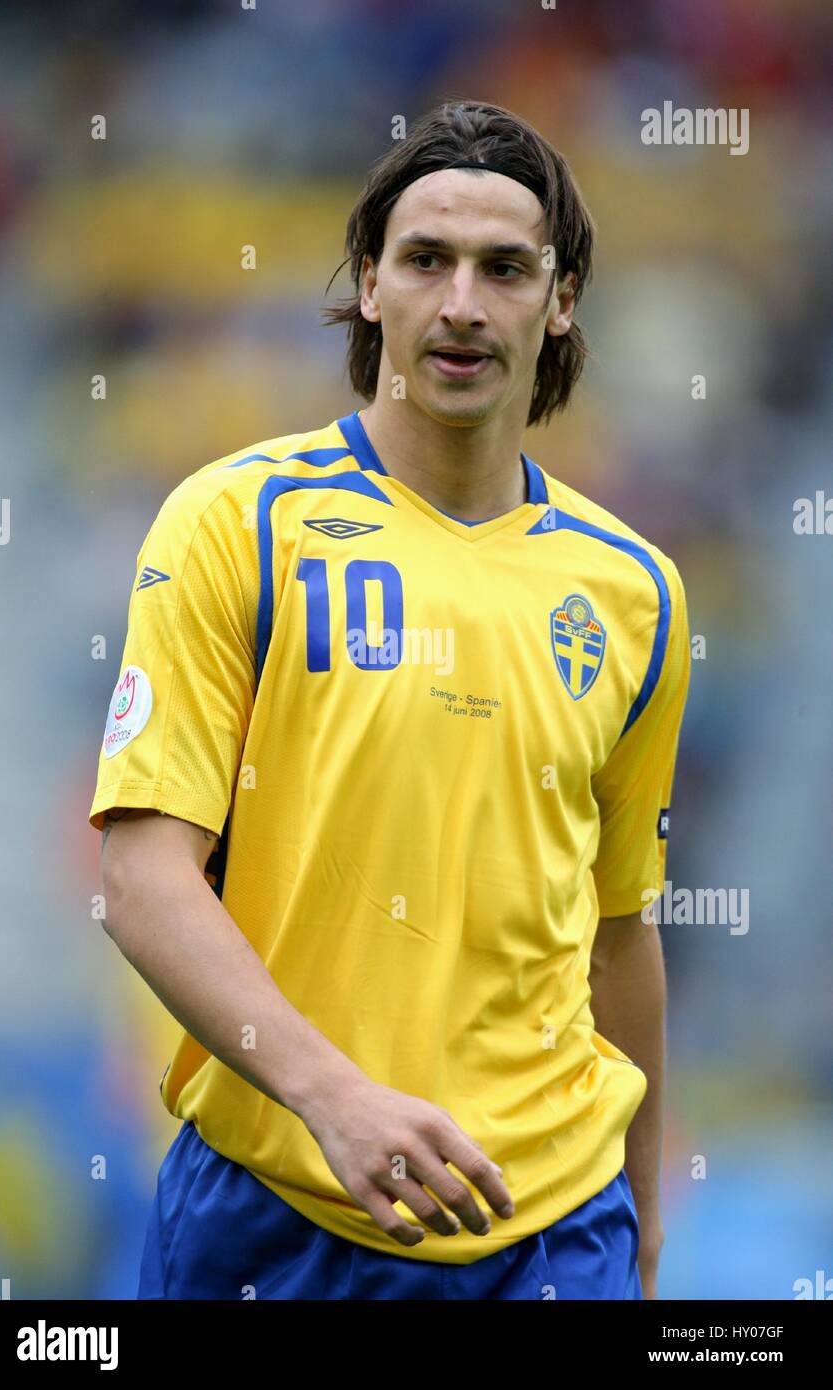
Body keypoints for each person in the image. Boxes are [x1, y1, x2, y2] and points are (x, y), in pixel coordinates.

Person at [90, 99, 691, 1300]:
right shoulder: (236, 523)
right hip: (280, 1209)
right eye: (426, 261)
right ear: (371, 287)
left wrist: (640, 1216)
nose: (461, 303)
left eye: (503, 268)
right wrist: (335, 1098)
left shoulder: (636, 592)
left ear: (558, 301)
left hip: (553, 1230)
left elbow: (619, 929)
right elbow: (139, 877)